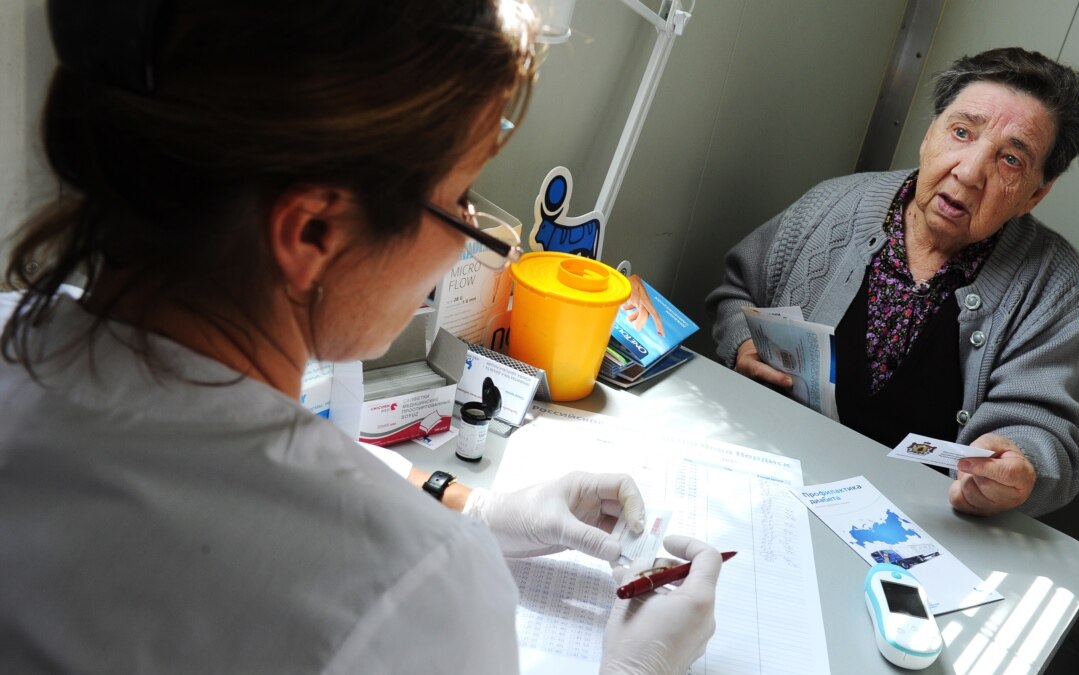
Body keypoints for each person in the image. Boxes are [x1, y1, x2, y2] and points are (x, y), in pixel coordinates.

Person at [0, 1, 721, 673]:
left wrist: (471, 506)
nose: (470, 241)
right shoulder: (412, 599)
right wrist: (637, 667)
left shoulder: (17, 342)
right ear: (312, 231)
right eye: (460, 200)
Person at [707, 47, 1079, 518]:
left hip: (924, 522)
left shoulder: (1052, 282)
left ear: (1036, 193)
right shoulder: (835, 204)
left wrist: (1020, 464)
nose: (969, 172)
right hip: (778, 476)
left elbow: (1045, 431)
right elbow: (738, 292)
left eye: (1011, 160)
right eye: (961, 132)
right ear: (929, 133)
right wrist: (742, 342)